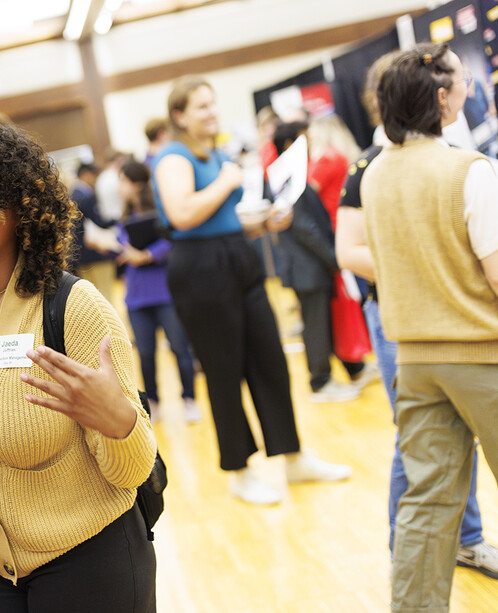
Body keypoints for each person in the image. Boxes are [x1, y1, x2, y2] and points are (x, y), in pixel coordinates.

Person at [0, 123, 159, 612]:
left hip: (89, 561)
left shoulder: (74, 308)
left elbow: (134, 469)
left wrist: (118, 421)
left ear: (21, 213)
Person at [336, 50, 498, 579]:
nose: (470, 86)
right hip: (473, 351)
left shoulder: (379, 173)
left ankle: (437, 574)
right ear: (441, 98)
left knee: (427, 501)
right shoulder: (468, 171)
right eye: (461, 79)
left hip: (415, 353)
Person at [152, 75, 351, 506]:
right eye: (201, 106)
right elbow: (182, 214)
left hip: (236, 255)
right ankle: (240, 472)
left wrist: (264, 224)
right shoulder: (173, 157)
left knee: (270, 361)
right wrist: (226, 182)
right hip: (200, 269)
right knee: (224, 371)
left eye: (213, 104)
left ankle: (293, 458)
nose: (212, 112)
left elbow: (223, 221)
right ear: (180, 114)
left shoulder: (217, 155)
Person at [271, 121, 370, 403]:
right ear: (290, 143)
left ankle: (353, 367)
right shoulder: (288, 178)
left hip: (312, 264)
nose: (311, 144)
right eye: (305, 139)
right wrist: (334, 255)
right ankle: (320, 381)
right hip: (307, 266)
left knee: (328, 320)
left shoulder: (294, 175)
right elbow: (304, 228)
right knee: (315, 325)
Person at [114, 159, 200, 423]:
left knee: (179, 348)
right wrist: (124, 250)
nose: (119, 187)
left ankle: (190, 399)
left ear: (136, 184)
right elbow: (120, 240)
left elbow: (171, 241)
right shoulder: (124, 217)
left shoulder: (164, 214)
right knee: (146, 353)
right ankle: (153, 401)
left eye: (122, 181)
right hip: (137, 297)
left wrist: (147, 255)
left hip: (165, 292)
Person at [69, 161, 118, 300]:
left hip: (78, 255)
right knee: (105, 293)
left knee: (92, 295)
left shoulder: (71, 194)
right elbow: (100, 223)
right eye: (94, 176)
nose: (95, 180)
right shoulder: (85, 196)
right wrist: (118, 219)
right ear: (85, 174)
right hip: (94, 252)